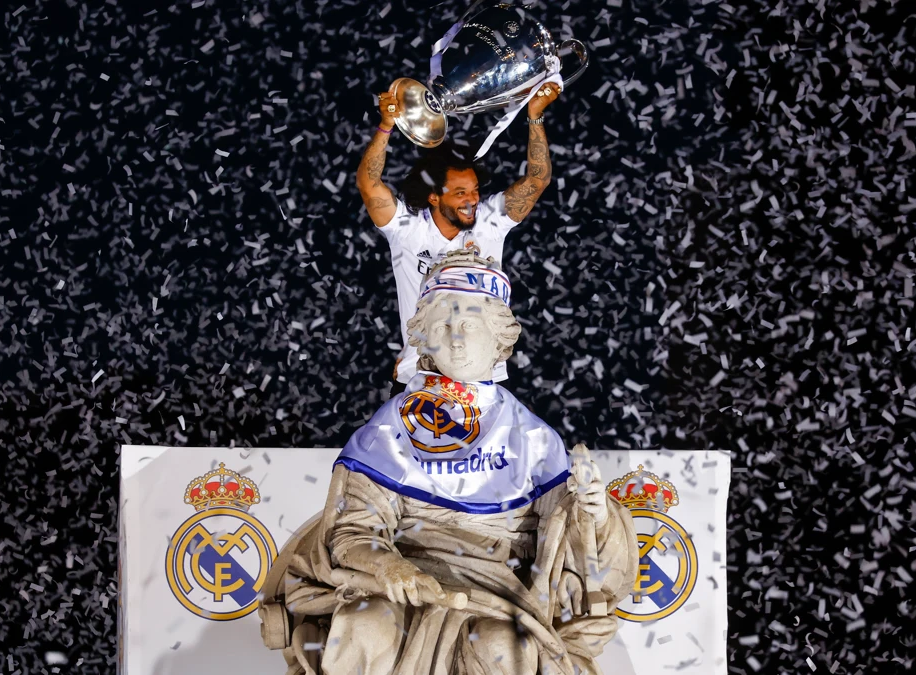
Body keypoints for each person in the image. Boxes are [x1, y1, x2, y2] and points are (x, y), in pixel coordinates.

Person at [258, 250, 636, 675]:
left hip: (497, 592)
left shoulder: (531, 437)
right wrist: (388, 566)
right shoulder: (388, 430)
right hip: (399, 586)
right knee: (365, 624)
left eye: (470, 326)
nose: (456, 338)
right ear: (425, 337)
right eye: (443, 325)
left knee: (501, 646)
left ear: (500, 340)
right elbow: (353, 529)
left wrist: (595, 513)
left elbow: (568, 545)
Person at [356, 84, 561, 395]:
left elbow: (538, 179)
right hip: (420, 376)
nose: (472, 200)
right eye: (461, 193)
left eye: (475, 190)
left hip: (485, 376)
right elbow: (369, 184)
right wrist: (386, 125)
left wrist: (534, 116)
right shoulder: (408, 228)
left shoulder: (490, 221)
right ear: (435, 198)